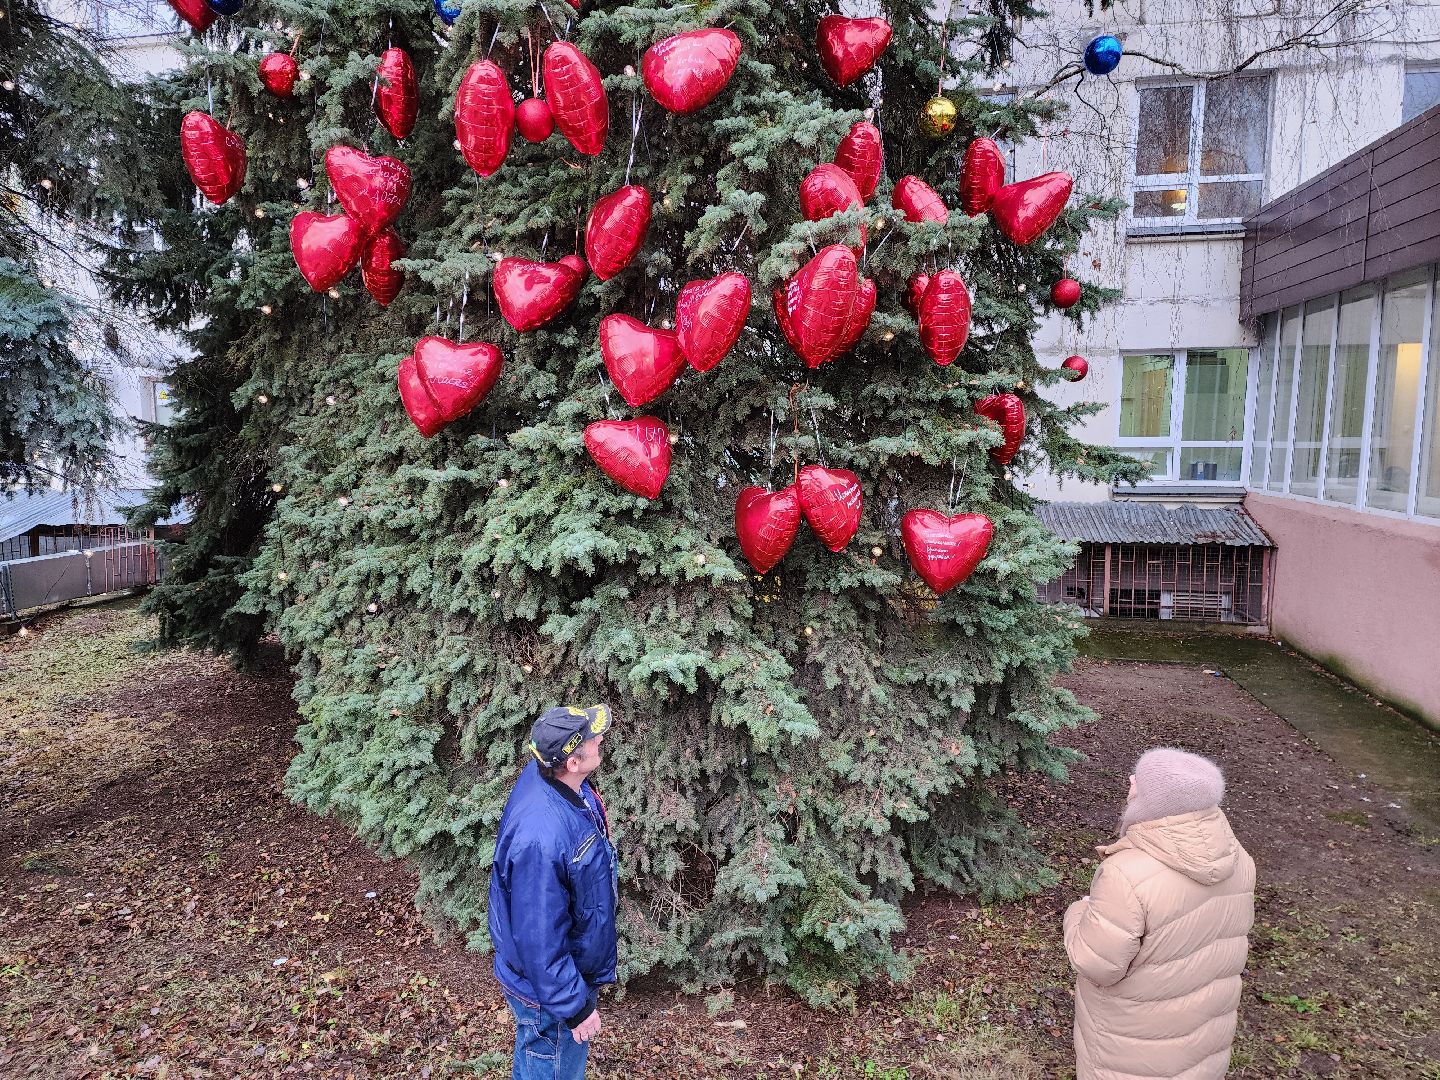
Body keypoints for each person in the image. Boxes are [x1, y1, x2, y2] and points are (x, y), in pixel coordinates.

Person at [1064, 747, 1256, 1080]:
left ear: (1159, 802)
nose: (1131, 780)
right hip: (1203, 1037)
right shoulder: (1237, 858)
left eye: (1140, 780)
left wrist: (1078, 911)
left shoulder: (1126, 875)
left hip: (1131, 1051)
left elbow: (1096, 963)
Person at [489, 704, 619, 1080]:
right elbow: (539, 937)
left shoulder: (551, 777)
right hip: (550, 994)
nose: (600, 739)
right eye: (593, 738)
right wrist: (574, 1007)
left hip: (553, 980)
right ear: (572, 763)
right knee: (551, 1064)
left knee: (538, 1060)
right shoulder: (541, 839)